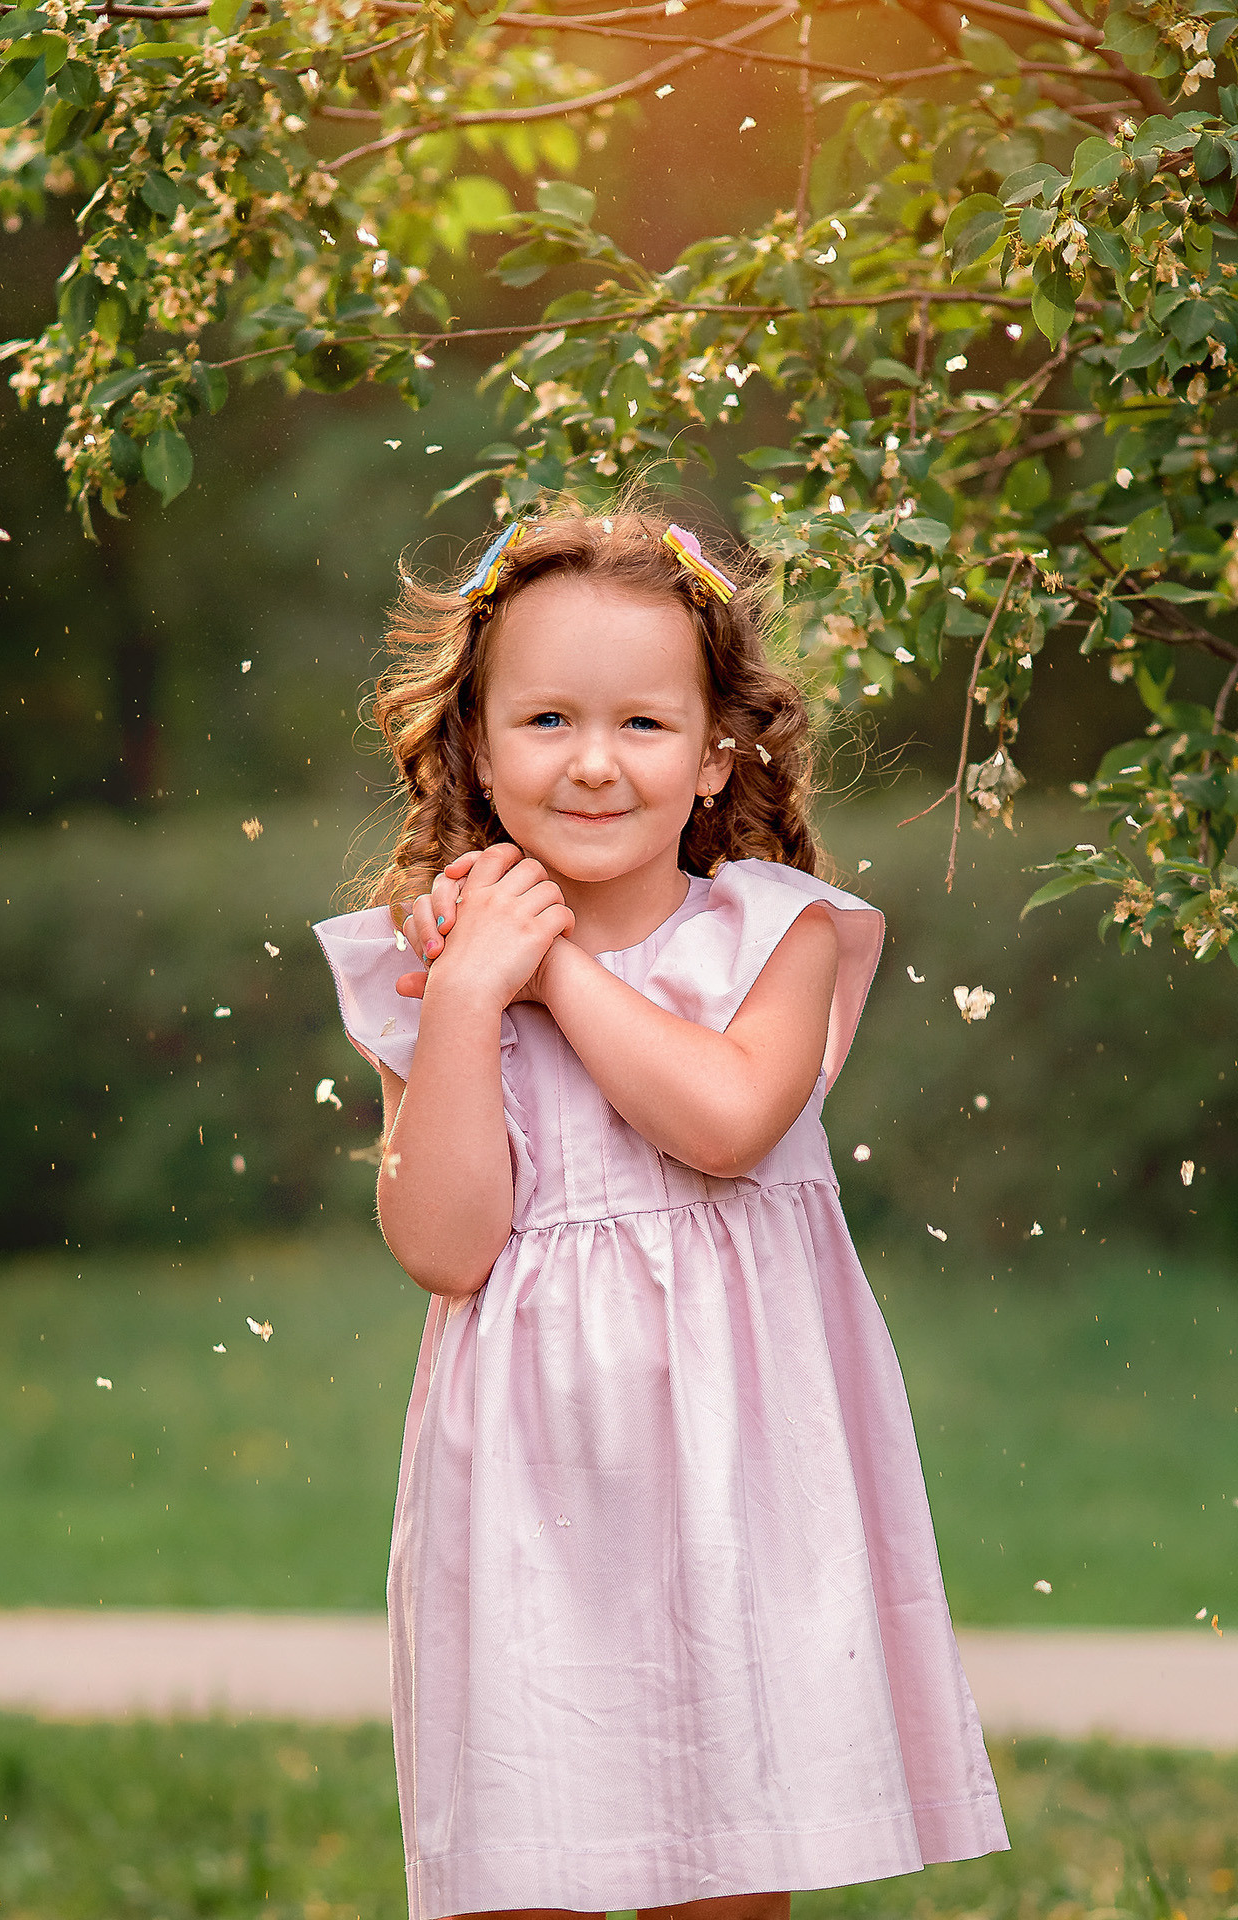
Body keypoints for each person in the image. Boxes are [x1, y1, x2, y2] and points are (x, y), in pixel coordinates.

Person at [314, 498, 1009, 1920]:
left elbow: (727, 1124)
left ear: (714, 755)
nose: (591, 763)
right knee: (527, 1853)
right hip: (527, 1489)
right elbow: (446, 1245)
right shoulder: (429, 969)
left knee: (725, 1866)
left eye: (642, 724)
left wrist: (548, 965)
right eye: (548, 719)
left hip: (732, 1479)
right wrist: (459, 998)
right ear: (477, 748)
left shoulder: (775, 931)